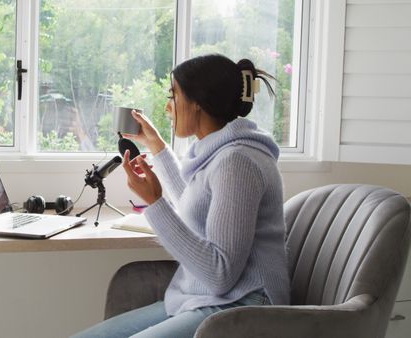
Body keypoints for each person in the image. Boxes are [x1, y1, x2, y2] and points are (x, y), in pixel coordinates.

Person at [71, 54, 290, 338]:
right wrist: (158, 148)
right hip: (209, 299)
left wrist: (156, 203)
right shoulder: (222, 154)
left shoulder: (238, 162)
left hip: (244, 306)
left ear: (197, 101)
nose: (167, 107)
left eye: (173, 96)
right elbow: (193, 205)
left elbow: (219, 275)